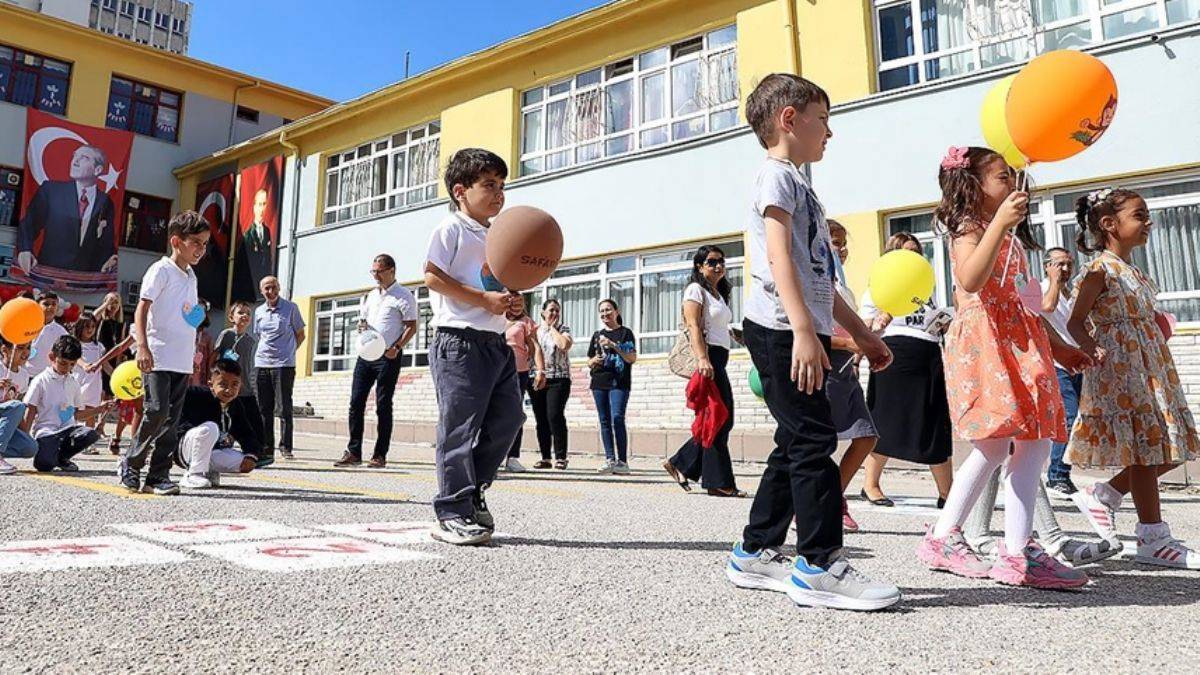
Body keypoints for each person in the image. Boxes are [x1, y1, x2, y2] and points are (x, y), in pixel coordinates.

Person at [723, 74, 901, 611]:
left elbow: (821, 277)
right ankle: (819, 564)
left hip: (800, 322)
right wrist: (803, 329)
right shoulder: (774, 178)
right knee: (814, 440)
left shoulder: (802, 187)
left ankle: (754, 551)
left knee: (798, 438)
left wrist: (864, 334)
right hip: (780, 327)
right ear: (789, 119)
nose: (830, 132)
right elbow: (777, 259)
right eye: (822, 119)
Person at [916, 146, 1092, 589]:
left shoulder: (1010, 240)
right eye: (1001, 178)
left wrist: (1060, 349)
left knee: (1033, 440)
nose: (1013, 185)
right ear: (972, 186)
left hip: (1021, 342)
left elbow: (1027, 305)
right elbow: (971, 280)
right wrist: (998, 223)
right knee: (995, 445)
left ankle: (1017, 553)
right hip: (988, 344)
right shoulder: (967, 228)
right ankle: (944, 537)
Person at [1067, 187, 1199, 569]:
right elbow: (1074, 320)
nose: (1149, 223)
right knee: (1147, 449)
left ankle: (1106, 494)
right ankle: (1152, 536)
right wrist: (1089, 347)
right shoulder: (1099, 270)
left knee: (1172, 445)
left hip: (1151, 367)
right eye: (1139, 215)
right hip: (1122, 370)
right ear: (1110, 224)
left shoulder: (1134, 272)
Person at [423, 147, 524, 545]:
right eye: (489, 185)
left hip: (495, 343)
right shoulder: (451, 228)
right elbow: (431, 277)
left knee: (509, 419)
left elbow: (499, 288)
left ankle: (472, 490)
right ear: (461, 191)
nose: (499, 193)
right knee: (459, 429)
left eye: (502, 186)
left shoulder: (497, 235)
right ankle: (451, 510)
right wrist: (483, 301)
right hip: (458, 341)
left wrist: (512, 303)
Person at [858, 232, 954, 509]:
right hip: (895, 356)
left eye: (917, 252)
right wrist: (878, 320)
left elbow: (929, 320)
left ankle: (947, 493)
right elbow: (864, 327)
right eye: (907, 251)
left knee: (935, 422)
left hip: (929, 355)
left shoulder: (927, 288)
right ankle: (871, 484)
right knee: (887, 420)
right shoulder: (878, 286)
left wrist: (943, 324)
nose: (914, 257)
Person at [118, 210, 210, 495]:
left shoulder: (191, 276)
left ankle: (158, 475)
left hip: (181, 359)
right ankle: (131, 464)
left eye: (205, 244)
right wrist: (142, 346)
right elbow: (142, 309)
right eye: (195, 242)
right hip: (157, 354)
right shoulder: (161, 270)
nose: (200, 249)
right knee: (156, 410)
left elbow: (188, 314)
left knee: (172, 420)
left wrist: (196, 337)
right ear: (176, 241)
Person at [664, 245, 745, 497]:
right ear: (699, 266)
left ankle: (680, 463)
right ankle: (718, 481)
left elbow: (717, 325)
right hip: (707, 357)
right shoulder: (695, 290)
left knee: (717, 417)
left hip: (719, 357)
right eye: (711, 262)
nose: (718, 265)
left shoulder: (718, 293)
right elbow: (693, 325)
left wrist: (735, 335)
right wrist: (702, 358)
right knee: (720, 417)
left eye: (721, 261)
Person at [822, 221, 880, 531]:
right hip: (826, 364)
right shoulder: (816, 282)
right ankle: (817, 502)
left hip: (847, 368)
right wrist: (848, 343)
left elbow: (850, 329)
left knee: (866, 436)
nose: (841, 249)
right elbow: (807, 334)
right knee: (821, 442)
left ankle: (833, 497)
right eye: (834, 242)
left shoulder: (842, 286)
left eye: (844, 244)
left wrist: (869, 338)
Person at [334, 254, 417, 469]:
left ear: (391, 270)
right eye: (373, 271)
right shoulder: (371, 295)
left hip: (388, 357)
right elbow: (365, 322)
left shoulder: (403, 295)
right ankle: (353, 451)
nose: (376, 276)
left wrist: (396, 348)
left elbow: (411, 326)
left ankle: (380, 454)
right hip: (366, 355)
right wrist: (362, 328)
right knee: (356, 403)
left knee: (382, 405)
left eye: (379, 271)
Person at [17, 145, 117, 275]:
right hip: (49, 275)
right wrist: (25, 249)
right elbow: (29, 224)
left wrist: (111, 258)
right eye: (74, 156)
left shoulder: (106, 202)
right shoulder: (51, 191)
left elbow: (106, 242)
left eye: (84, 158)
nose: (75, 161)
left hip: (84, 280)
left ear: (97, 170)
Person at [25, 335, 111, 472]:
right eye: (63, 363)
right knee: (44, 465)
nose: (67, 368)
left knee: (90, 434)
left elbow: (76, 414)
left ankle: (62, 458)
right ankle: (51, 455)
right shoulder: (40, 380)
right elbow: (31, 409)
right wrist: (26, 436)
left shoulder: (73, 382)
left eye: (72, 364)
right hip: (46, 432)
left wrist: (99, 409)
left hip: (67, 431)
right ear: (52, 357)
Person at [175, 358, 263, 490]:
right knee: (211, 428)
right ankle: (193, 474)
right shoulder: (196, 395)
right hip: (186, 449)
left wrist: (252, 454)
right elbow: (176, 393)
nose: (229, 390)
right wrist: (185, 375)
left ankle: (208, 471)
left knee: (242, 462)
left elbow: (246, 433)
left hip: (212, 451)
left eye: (234, 385)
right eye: (223, 384)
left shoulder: (236, 405)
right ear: (211, 384)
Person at [1040, 247, 1082, 498]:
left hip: (1075, 361)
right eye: (1059, 264)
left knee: (1076, 419)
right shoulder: (1043, 288)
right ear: (1047, 266)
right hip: (1055, 363)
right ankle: (1056, 475)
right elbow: (1046, 308)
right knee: (1070, 416)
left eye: (1068, 264)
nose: (1065, 269)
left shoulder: (1072, 292)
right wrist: (1054, 282)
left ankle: (1061, 473)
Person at [253, 275, 306, 463]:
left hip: (284, 365)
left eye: (274, 287)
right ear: (262, 291)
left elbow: (300, 334)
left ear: (279, 288)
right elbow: (260, 336)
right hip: (262, 363)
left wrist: (289, 352)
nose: (271, 291)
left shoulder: (291, 308)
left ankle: (286, 447)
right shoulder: (258, 311)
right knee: (264, 408)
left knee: (284, 407)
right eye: (267, 288)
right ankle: (267, 448)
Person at [588, 299, 637, 475]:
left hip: (619, 382)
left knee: (617, 417)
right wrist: (593, 361)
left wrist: (614, 346)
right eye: (601, 311)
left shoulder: (625, 333)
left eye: (608, 310)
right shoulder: (596, 335)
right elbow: (590, 360)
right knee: (604, 420)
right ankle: (610, 459)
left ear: (616, 312)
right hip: (599, 381)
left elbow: (631, 358)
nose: (605, 314)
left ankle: (622, 462)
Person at [501, 294, 544, 473]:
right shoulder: (495, 318)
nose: (516, 305)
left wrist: (541, 370)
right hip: (496, 372)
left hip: (519, 373)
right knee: (492, 414)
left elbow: (535, 347)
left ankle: (512, 457)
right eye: (512, 301)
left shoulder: (526, 322)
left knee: (514, 414)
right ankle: (490, 456)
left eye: (520, 302)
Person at [531, 298, 572, 470]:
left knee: (554, 415)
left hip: (559, 378)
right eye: (551, 310)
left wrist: (552, 328)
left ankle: (561, 457)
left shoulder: (564, 329)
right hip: (539, 378)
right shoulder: (535, 331)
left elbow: (564, 345)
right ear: (542, 312)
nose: (554, 313)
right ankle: (546, 457)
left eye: (557, 310)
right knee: (541, 418)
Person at [0, 338, 37, 474]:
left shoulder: (24, 375)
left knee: (30, 447)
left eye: (28, 348)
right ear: (5, 350)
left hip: (4, 422)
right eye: (20, 348)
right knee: (16, 405)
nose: (26, 352)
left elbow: (18, 409)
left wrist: (24, 433)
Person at [94, 291, 126, 440]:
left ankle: (101, 424)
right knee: (101, 393)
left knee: (111, 393)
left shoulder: (120, 324)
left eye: (116, 302)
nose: (113, 306)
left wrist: (118, 364)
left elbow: (120, 344)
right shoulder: (101, 321)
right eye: (111, 302)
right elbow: (94, 316)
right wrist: (105, 305)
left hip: (113, 360)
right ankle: (94, 423)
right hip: (101, 357)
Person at [72, 311, 105, 455]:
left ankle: (88, 442)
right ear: (79, 327)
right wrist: (85, 365)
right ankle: (72, 439)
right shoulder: (75, 344)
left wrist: (114, 374)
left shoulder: (99, 347)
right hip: (78, 381)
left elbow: (105, 364)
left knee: (91, 412)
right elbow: (77, 359)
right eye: (86, 326)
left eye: (92, 326)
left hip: (94, 384)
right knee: (75, 411)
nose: (90, 329)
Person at [215, 301, 258, 402]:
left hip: (244, 384)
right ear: (231, 317)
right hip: (226, 382)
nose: (245, 315)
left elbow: (248, 363)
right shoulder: (226, 334)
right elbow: (214, 355)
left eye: (248, 313)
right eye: (240, 313)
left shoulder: (250, 340)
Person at [241, 189, 276, 291]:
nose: (262, 208)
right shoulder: (248, 235)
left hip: (264, 284)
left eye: (264, 204)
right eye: (259, 204)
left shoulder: (267, 231)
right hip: (252, 283)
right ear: (254, 207)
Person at [28, 290, 68, 375]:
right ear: (37, 306)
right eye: (46, 304)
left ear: (57, 308)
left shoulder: (61, 332)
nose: (50, 307)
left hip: (46, 377)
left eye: (54, 304)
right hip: (24, 373)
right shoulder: (27, 325)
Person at [190, 300, 215, 387]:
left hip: (200, 376)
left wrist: (210, 377)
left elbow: (210, 360)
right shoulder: (183, 334)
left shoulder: (207, 337)